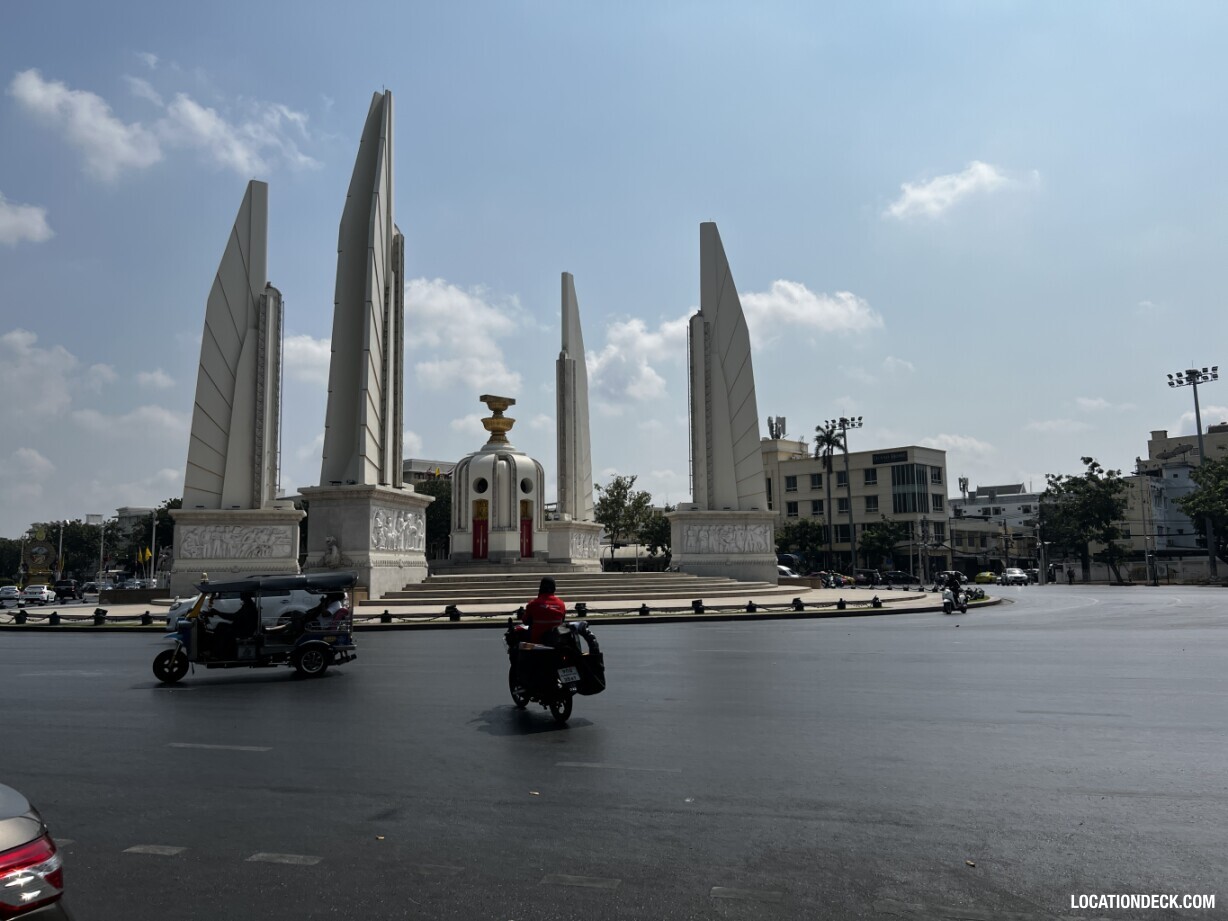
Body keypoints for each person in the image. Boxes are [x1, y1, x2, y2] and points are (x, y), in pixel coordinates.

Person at [521, 577, 566, 644]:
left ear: (541, 588)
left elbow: (525, 621)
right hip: (555, 642)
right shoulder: (561, 604)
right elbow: (562, 620)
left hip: (536, 642)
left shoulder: (533, 604)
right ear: (554, 589)